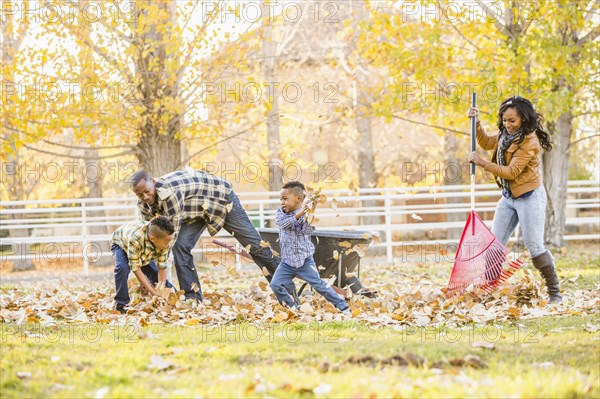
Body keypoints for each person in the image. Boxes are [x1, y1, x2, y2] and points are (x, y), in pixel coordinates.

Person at [130, 168, 295, 302]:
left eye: (147, 191)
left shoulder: (170, 194)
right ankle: (192, 297)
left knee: (254, 246)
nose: (145, 197)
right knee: (181, 247)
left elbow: (169, 236)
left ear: (153, 182)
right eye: (140, 195)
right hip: (194, 209)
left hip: (220, 198)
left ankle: (287, 289)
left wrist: (162, 265)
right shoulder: (143, 205)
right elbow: (154, 235)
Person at [467, 96, 562, 304]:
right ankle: (490, 292)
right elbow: (485, 142)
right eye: (505, 120)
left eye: (512, 121)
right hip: (508, 197)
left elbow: (511, 172)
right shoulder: (504, 135)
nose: (507, 124)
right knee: (494, 247)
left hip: (530, 197)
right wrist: (477, 123)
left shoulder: (530, 141)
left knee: (534, 246)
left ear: (523, 120)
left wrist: (481, 162)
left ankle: (555, 293)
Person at [270, 181, 351, 314]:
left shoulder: (306, 216)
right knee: (275, 284)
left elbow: (307, 230)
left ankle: (342, 306)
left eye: (285, 199)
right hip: (287, 262)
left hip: (304, 260)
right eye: (281, 199)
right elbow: (283, 224)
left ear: (299, 199)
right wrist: (300, 213)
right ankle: (292, 307)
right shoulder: (281, 213)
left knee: (319, 285)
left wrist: (312, 208)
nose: (282, 202)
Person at [111, 216, 176, 313]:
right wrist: (152, 291)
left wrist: (160, 290)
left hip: (144, 250)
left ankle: (173, 297)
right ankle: (121, 304)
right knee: (122, 268)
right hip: (121, 244)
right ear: (153, 239)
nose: (168, 244)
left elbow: (162, 267)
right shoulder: (135, 238)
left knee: (154, 272)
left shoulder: (164, 242)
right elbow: (136, 268)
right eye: (167, 242)